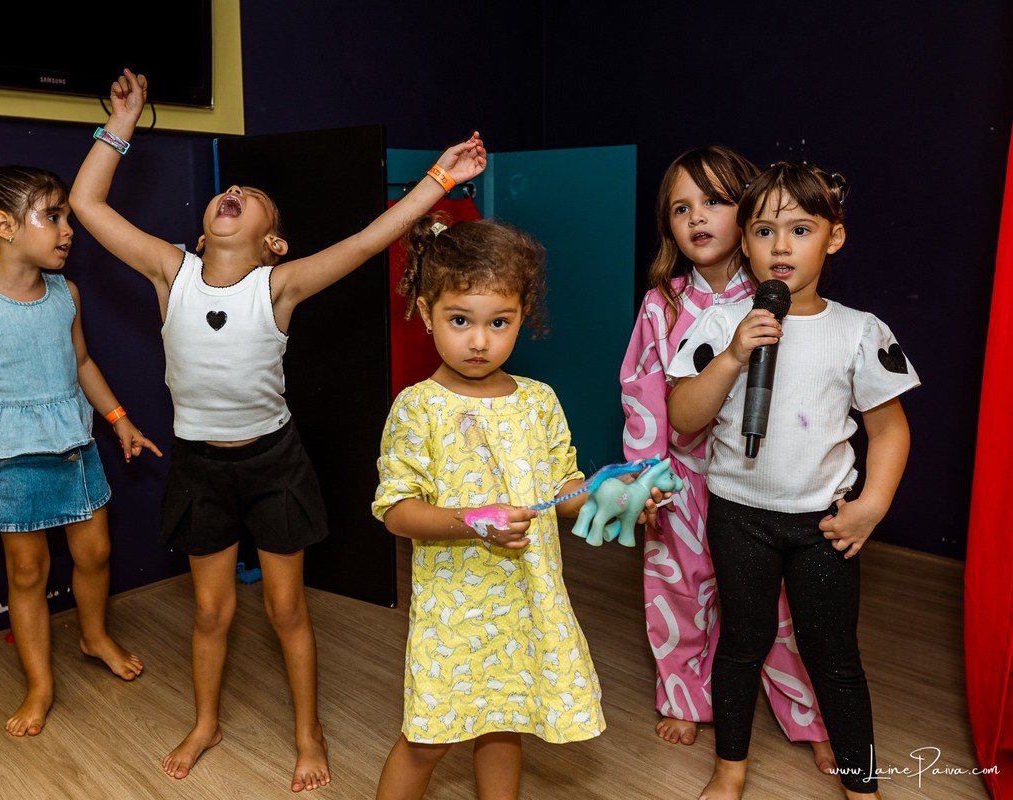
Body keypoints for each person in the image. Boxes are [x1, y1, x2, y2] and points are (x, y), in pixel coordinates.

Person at [69, 70, 487, 792]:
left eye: (255, 202)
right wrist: (124, 122)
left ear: (275, 243)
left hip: (273, 463)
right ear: (204, 228)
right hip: (202, 466)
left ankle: (308, 729)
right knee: (209, 610)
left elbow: (363, 244)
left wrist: (437, 181)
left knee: (287, 606)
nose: (237, 197)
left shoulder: (279, 287)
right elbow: (86, 202)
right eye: (230, 194)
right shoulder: (173, 271)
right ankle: (205, 722)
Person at [667, 161, 918, 799]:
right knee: (741, 644)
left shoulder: (859, 331)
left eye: (800, 229)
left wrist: (872, 506)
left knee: (833, 654)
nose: (781, 247)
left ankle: (863, 785)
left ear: (833, 238)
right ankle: (730, 770)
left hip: (822, 523)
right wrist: (731, 358)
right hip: (738, 514)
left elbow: (889, 431)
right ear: (744, 243)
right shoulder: (722, 326)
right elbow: (683, 419)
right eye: (763, 230)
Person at [372, 216, 604, 800]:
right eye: (460, 321)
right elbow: (395, 509)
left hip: (525, 602)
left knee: (505, 724)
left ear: (522, 316)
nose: (480, 341)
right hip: (455, 612)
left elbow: (564, 490)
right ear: (426, 315)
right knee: (427, 738)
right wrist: (469, 519)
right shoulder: (416, 407)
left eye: (499, 323)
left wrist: (608, 495)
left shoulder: (539, 401)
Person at [0, 156, 161, 738]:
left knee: (95, 553)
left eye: (67, 217)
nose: (68, 230)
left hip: (72, 447)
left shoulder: (67, 294)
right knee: (28, 572)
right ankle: (39, 683)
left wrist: (118, 419)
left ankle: (93, 634)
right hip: (7, 462)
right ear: (6, 226)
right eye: (53, 217)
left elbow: (81, 362)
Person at [620, 146, 833, 767]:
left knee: (779, 607)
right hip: (681, 479)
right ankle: (686, 698)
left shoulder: (780, 296)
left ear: (749, 210)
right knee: (678, 589)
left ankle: (808, 715)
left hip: (759, 481)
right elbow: (641, 390)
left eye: (714, 201)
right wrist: (645, 479)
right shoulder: (662, 304)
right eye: (682, 208)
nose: (698, 218)